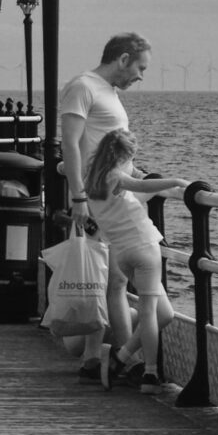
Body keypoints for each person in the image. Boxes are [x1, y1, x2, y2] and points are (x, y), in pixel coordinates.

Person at [58, 32, 152, 376]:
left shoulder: (108, 93)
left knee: (110, 282)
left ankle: (96, 358)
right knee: (112, 282)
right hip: (96, 202)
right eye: (139, 67)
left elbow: (102, 146)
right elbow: (69, 143)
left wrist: (131, 171)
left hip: (111, 198)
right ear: (123, 59)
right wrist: (78, 197)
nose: (140, 76)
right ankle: (126, 363)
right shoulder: (83, 87)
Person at [83, 129, 185, 389]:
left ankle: (119, 357)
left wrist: (166, 192)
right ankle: (149, 374)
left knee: (164, 313)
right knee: (149, 312)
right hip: (143, 248)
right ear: (124, 156)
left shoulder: (92, 180)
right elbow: (140, 186)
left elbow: (132, 196)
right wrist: (176, 181)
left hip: (123, 254)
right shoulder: (116, 175)